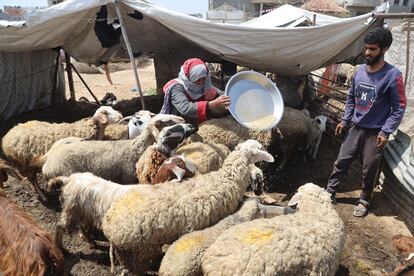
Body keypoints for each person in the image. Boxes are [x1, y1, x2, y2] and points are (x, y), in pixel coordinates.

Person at [325, 27, 407, 217]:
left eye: (373, 49)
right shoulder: (360, 71)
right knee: (342, 160)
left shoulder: (393, 76)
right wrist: (345, 120)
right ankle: (330, 191)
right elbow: (351, 98)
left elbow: (399, 107)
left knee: (369, 168)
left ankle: (364, 200)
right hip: (355, 128)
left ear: (384, 49)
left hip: (375, 132)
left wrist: (386, 131)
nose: (367, 52)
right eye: (366, 48)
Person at [160, 58, 231, 126]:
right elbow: (186, 108)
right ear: (189, 76)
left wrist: (232, 96)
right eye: (197, 80)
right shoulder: (176, 87)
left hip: (200, 123)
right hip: (180, 124)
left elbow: (219, 93)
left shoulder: (205, 84)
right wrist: (212, 104)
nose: (201, 83)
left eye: (203, 78)